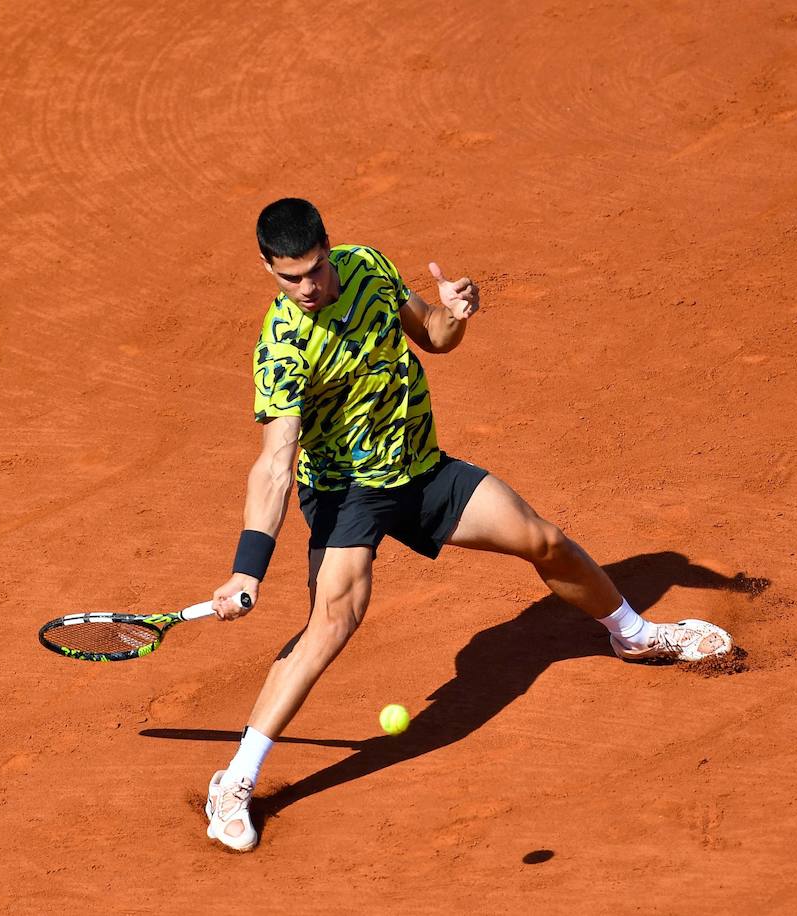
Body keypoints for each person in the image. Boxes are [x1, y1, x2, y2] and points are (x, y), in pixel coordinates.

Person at [202, 198, 733, 852]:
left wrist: (454, 313)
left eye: (312, 271)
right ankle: (236, 779)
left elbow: (431, 335)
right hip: (348, 494)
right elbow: (274, 467)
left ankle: (634, 635)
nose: (306, 289)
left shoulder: (367, 267)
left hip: (419, 468)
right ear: (268, 269)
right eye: (289, 278)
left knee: (543, 539)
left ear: (327, 250)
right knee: (333, 622)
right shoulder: (282, 348)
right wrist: (247, 567)